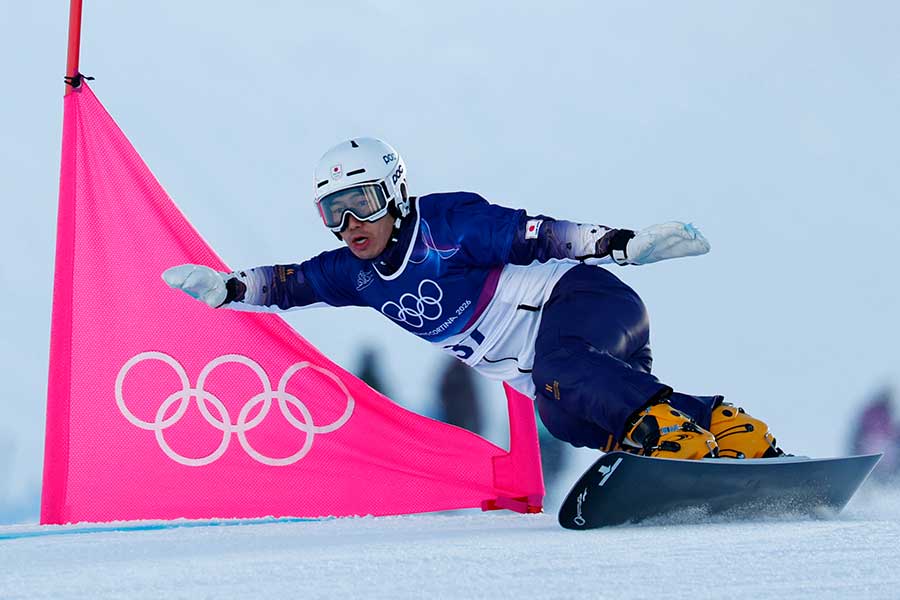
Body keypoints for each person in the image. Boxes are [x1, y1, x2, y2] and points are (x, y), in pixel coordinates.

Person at [163, 137, 783, 460]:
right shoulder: (353, 275)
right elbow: (290, 285)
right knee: (560, 414)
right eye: (334, 212)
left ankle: (660, 430)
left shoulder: (446, 225)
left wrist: (621, 243)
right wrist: (229, 290)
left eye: (365, 203)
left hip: (586, 300)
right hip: (571, 366)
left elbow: (538, 235)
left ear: (397, 194)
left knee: (559, 370)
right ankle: (723, 428)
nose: (351, 225)